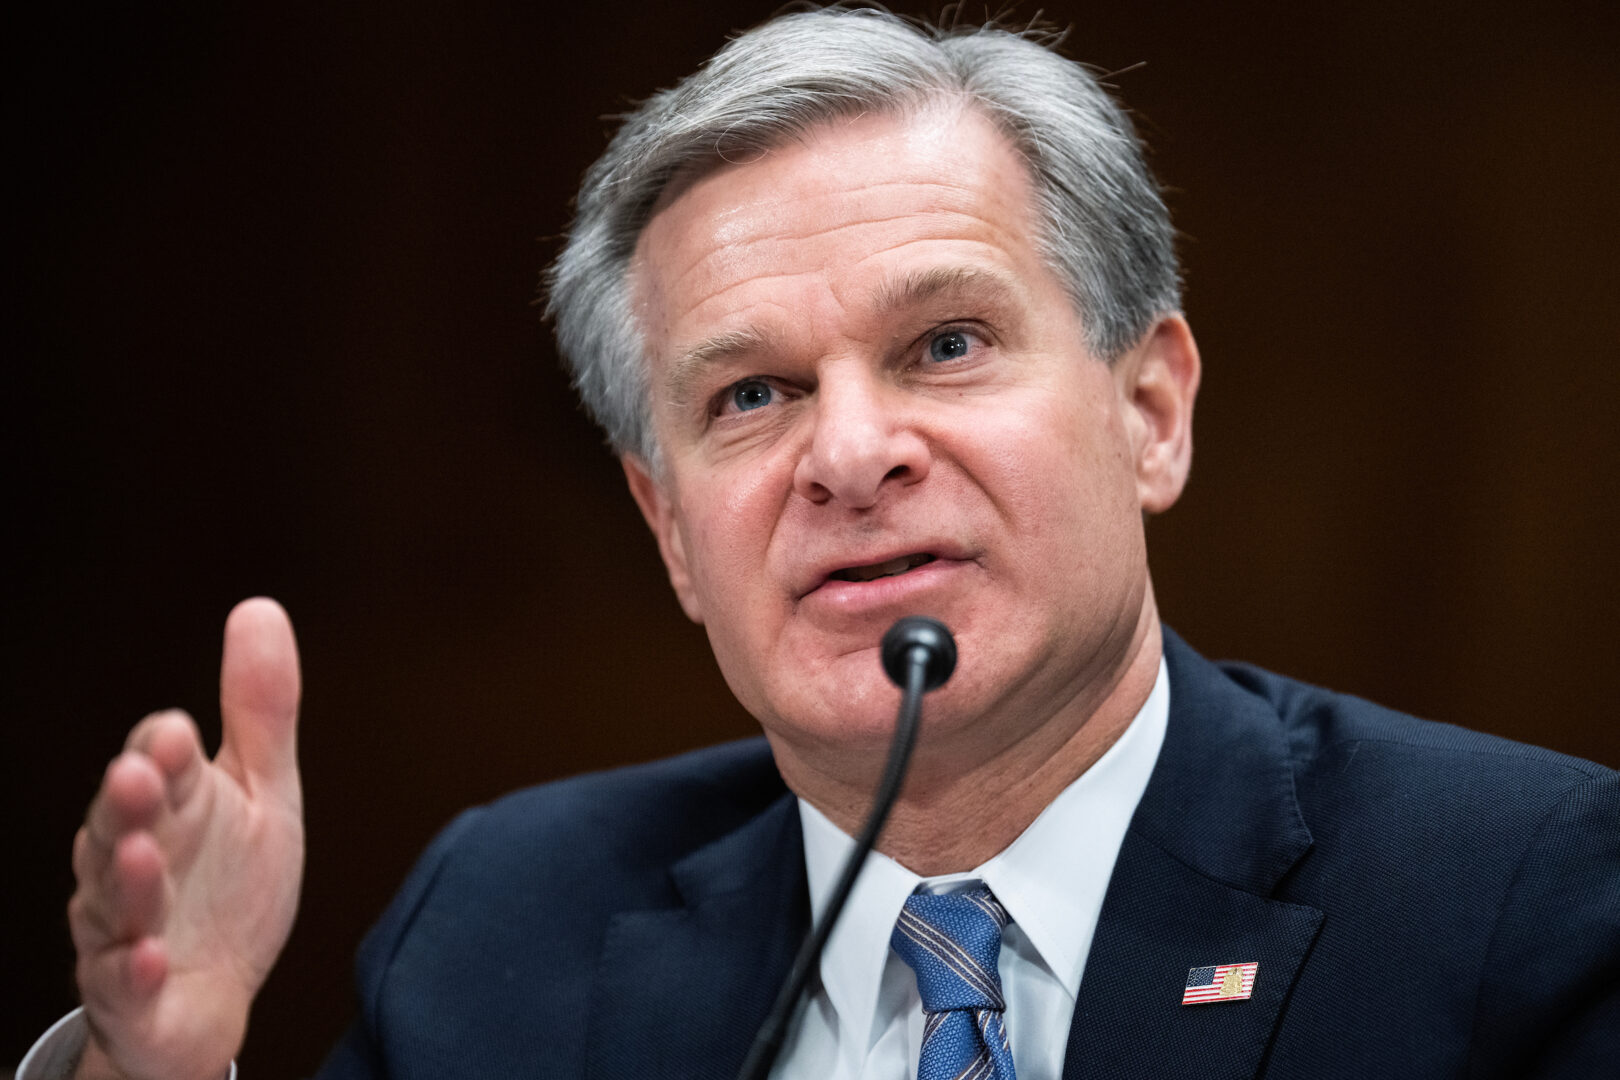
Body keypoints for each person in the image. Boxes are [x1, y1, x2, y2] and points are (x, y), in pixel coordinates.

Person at [25, 8, 1618, 1079]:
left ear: (1151, 409)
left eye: (944, 346)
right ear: (667, 531)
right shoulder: (507, 929)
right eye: (753, 393)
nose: (850, 457)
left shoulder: (1515, 902)